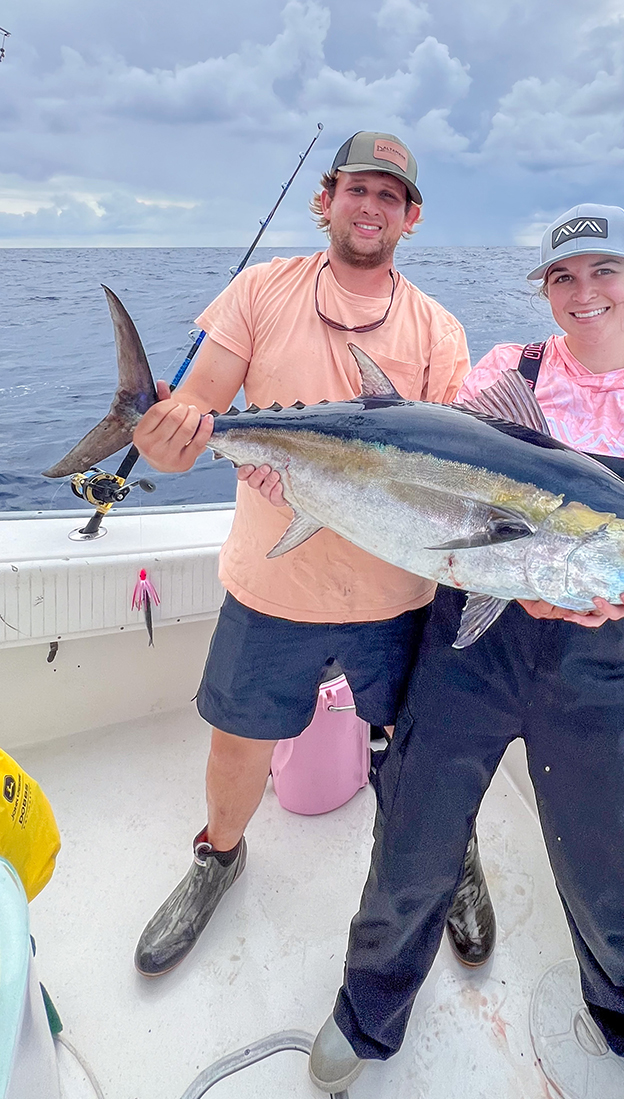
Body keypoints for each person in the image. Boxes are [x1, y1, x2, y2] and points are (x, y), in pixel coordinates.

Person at [308, 204, 624, 1099]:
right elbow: (433, 483)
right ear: (544, 290)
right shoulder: (507, 371)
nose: (585, 293)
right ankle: (366, 1010)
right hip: (472, 652)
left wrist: (611, 589)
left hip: (598, 675)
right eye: (564, 277)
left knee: (609, 864)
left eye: (605, 272)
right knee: (413, 841)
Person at [130, 131, 490, 978]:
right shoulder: (260, 290)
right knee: (238, 739)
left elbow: (461, 469)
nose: (372, 207)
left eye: (390, 196)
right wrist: (165, 435)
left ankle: (449, 853)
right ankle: (217, 857)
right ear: (325, 199)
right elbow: (190, 430)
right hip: (272, 581)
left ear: (412, 217)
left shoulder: (440, 330)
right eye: (358, 190)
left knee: (418, 744)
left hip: (397, 592)